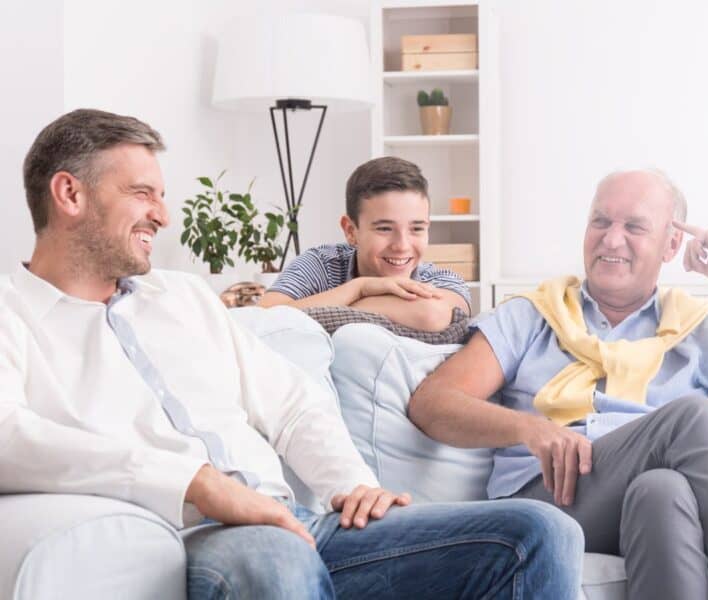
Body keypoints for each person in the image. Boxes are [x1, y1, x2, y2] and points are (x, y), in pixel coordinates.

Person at [0, 108, 585, 599]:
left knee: (539, 530)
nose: (163, 213)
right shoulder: (11, 313)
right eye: (141, 193)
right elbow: (10, 436)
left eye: (162, 195)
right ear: (69, 193)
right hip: (204, 536)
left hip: (304, 521)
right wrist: (196, 483)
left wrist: (351, 485)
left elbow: (292, 403)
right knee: (276, 562)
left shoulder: (179, 297)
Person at [409, 168, 708, 599]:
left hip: (633, 503)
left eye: (633, 226)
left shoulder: (696, 328)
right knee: (697, 418)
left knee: (662, 491)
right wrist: (528, 428)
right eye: (600, 221)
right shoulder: (536, 314)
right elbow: (433, 402)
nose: (611, 240)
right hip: (544, 498)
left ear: (672, 244)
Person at [258, 156, 471, 332]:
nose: (402, 246)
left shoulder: (441, 280)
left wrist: (335, 304)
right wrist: (358, 288)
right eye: (384, 229)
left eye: (417, 228)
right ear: (351, 231)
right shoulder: (321, 264)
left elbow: (430, 315)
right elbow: (262, 318)